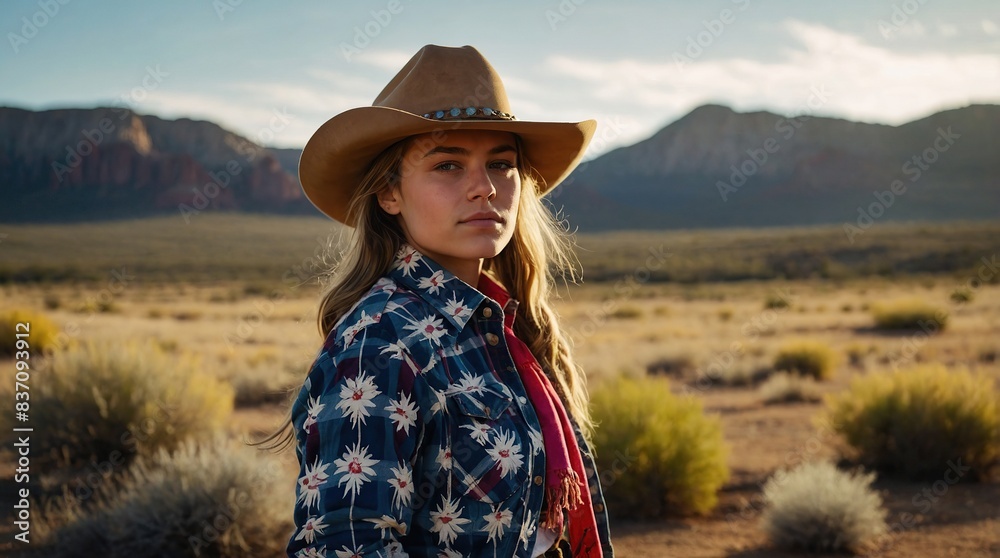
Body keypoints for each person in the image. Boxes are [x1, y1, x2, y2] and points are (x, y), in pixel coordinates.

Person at [280, 44, 614, 557]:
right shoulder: (380, 344)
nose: (484, 188)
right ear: (389, 194)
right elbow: (346, 547)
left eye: (501, 164)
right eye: (447, 166)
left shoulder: (502, 329)